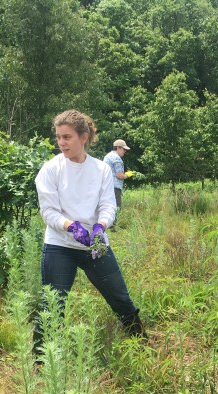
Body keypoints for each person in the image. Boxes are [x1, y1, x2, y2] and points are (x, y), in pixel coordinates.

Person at [35, 110, 145, 342]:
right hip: (60, 245)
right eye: (59, 137)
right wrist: (71, 227)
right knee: (52, 306)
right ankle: (40, 363)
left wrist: (101, 226)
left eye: (67, 137)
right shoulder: (51, 169)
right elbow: (48, 211)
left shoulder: (101, 169)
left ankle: (142, 344)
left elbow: (108, 206)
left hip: (94, 245)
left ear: (83, 138)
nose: (61, 143)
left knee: (121, 298)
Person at [103, 139, 130, 212]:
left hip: (106, 186)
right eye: (124, 149)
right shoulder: (117, 158)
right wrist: (127, 175)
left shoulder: (108, 156)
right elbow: (120, 175)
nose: (125, 151)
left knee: (107, 208)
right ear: (118, 147)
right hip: (115, 187)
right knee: (117, 208)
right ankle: (115, 223)